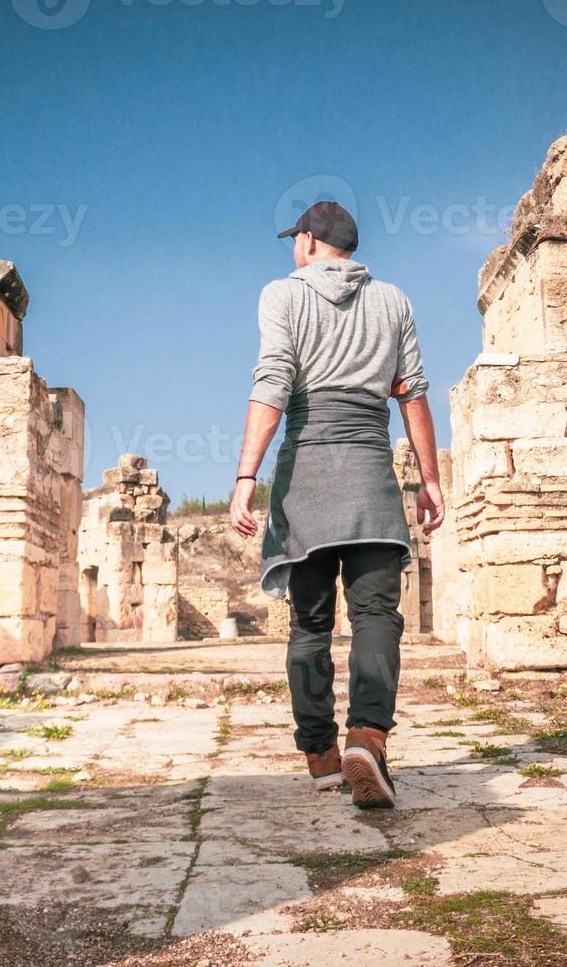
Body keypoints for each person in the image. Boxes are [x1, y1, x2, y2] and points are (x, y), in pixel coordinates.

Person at [229, 200, 444, 809]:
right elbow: (413, 394)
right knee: (377, 615)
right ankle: (368, 739)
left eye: (294, 239)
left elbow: (272, 382)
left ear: (309, 240)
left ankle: (321, 754)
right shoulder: (394, 300)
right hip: (372, 472)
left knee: (311, 623)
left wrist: (247, 476)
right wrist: (430, 479)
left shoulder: (283, 295)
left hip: (309, 479)